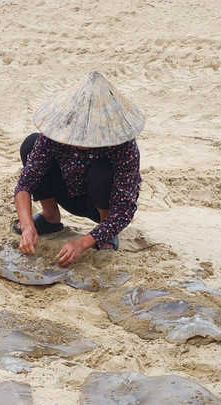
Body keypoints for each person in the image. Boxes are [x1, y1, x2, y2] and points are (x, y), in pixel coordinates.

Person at [13, 71, 144, 267]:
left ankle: (105, 232)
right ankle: (50, 217)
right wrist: (27, 226)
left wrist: (82, 243)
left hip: (97, 203)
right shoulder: (56, 133)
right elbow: (25, 183)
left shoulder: (124, 147)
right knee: (30, 143)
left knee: (102, 171)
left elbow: (124, 211)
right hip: (65, 190)